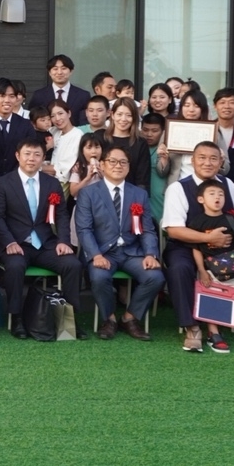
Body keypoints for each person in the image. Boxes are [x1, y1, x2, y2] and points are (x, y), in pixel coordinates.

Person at [160, 142, 234, 351]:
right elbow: (174, 230)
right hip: (185, 246)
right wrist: (208, 238)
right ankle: (191, 326)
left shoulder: (228, 184)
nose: (207, 163)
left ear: (221, 162)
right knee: (180, 268)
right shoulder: (178, 188)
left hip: (224, 248)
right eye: (202, 158)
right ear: (192, 160)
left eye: (213, 158)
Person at [0, 137, 85, 339]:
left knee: (72, 264)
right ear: (18, 156)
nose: (31, 159)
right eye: (27, 154)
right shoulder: (3, 184)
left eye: (37, 154)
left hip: (45, 243)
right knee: (15, 266)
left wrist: (63, 241)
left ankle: (69, 318)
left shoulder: (52, 183)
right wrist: (9, 242)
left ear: (43, 158)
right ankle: (16, 318)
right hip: (17, 243)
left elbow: (62, 215)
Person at [74, 145, 163, 341]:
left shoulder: (139, 194)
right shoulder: (88, 193)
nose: (118, 166)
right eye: (112, 161)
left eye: (123, 162)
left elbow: (147, 229)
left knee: (155, 277)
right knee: (99, 277)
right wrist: (96, 255)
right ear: (102, 165)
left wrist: (150, 254)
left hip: (132, 252)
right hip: (102, 252)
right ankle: (110, 319)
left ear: (129, 167)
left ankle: (129, 318)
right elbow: (84, 229)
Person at [190, 181, 234, 353]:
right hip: (210, 268)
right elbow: (195, 249)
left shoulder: (231, 219)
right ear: (201, 199)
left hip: (233, 268)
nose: (217, 197)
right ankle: (213, 333)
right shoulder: (197, 221)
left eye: (221, 194)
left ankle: (220, 328)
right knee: (211, 297)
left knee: (230, 299)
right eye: (212, 193)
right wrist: (202, 270)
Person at [0, 78, 36, 189]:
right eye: (2, 96)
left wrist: (12, 177)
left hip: (17, 184)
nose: (7, 100)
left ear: (16, 99)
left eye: (11, 96)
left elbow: (30, 152)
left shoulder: (26, 125)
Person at [157, 88, 217, 181]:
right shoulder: (170, 131)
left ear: (203, 109)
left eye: (196, 106)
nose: (191, 110)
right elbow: (161, 173)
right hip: (178, 184)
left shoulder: (213, 131)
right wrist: (163, 159)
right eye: (187, 105)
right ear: (181, 108)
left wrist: (220, 158)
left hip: (207, 185)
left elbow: (225, 169)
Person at [27, 54, 89, 127]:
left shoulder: (83, 95)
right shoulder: (39, 95)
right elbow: (33, 118)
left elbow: (86, 121)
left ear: (71, 71)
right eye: (55, 69)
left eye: (64, 68)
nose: (59, 72)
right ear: (49, 72)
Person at [102, 98, 151, 191]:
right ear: (112, 115)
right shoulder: (101, 137)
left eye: (129, 115)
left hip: (131, 194)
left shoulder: (140, 143)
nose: (123, 119)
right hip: (101, 193)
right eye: (119, 114)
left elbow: (142, 179)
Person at [139, 113, 170, 221]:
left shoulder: (167, 149)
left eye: (154, 131)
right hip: (141, 197)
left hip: (161, 198)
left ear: (163, 131)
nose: (149, 134)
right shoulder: (137, 147)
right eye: (145, 130)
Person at [45, 99, 82, 187]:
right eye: (53, 116)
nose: (57, 119)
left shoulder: (77, 135)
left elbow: (61, 169)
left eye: (60, 113)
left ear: (69, 113)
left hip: (62, 183)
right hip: (46, 179)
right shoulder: (52, 131)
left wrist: (36, 167)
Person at [68, 133, 106, 198]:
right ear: (82, 151)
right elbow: (73, 192)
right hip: (84, 201)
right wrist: (87, 178)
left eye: (97, 147)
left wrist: (103, 176)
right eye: (89, 148)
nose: (93, 151)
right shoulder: (78, 167)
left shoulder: (107, 165)